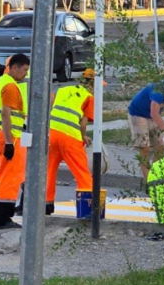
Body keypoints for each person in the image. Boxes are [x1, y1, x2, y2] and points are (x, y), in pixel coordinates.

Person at [45, 68, 106, 215]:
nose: (101, 91)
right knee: (82, 171)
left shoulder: (63, 90)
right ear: (93, 84)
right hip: (70, 136)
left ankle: (46, 204)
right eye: (100, 88)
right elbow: (83, 123)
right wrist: (82, 136)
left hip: (52, 133)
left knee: (49, 170)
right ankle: (90, 207)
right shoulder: (89, 98)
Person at [0, 53, 30, 229]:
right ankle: (2, 218)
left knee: (1, 176)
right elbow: (6, 114)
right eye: (24, 70)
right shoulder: (10, 86)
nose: (25, 74)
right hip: (11, 137)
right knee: (12, 177)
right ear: (14, 68)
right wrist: (10, 143)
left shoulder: (1, 81)